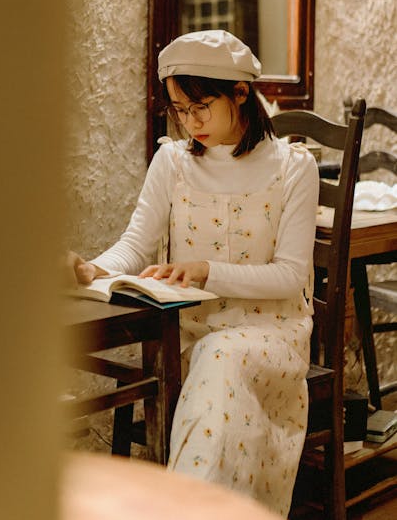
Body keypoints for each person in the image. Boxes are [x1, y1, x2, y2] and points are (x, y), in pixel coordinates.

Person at [72, 30, 319, 517]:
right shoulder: (172, 161)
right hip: (183, 333)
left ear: (241, 93)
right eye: (178, 110)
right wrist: (89, 269)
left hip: (270, 333)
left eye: (200, 106)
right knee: (212, 354)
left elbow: (290, 277)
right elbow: (134, 245)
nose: (189, 123)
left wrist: (206, 271)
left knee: (222, 355)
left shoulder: (294, 167)